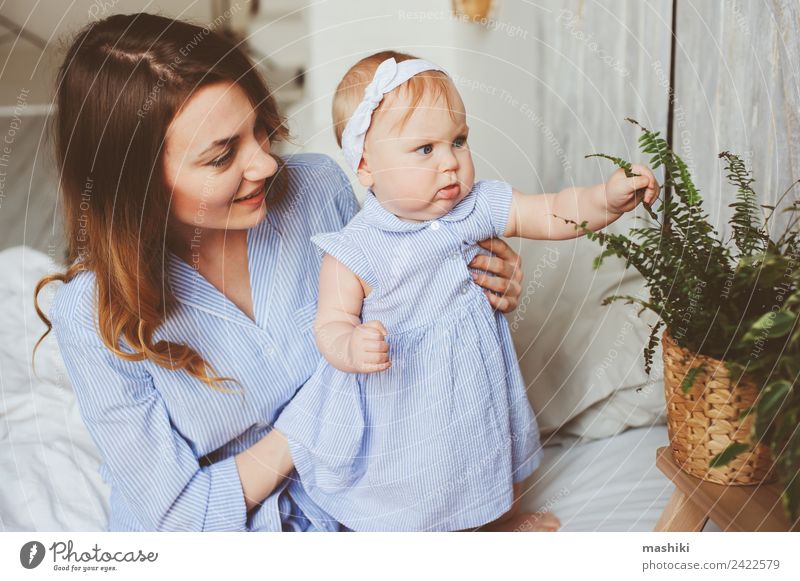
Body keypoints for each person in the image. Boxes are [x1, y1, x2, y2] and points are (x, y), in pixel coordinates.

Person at [32, 14, 528, 531]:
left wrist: (476, 283)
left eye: (260, 130)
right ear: (134, 185)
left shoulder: (315, 189)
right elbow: (182, 518)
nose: (265, 164)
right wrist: (317, 421)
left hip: (367, 500)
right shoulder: (93, 317)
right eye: (222, 156)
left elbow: (404, 321)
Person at [274, 51, 661, 531]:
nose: (451, 164)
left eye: (458, 141)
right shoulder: (353, 250)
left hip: (476, 381)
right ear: (366, 165)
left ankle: (497, 522)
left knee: (491, 453)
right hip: (407, 403)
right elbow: (329, 324)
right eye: (425, 149)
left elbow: (552, 210)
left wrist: (604, 199)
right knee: (424, 488)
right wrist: (350, 345)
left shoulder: (476, 207)